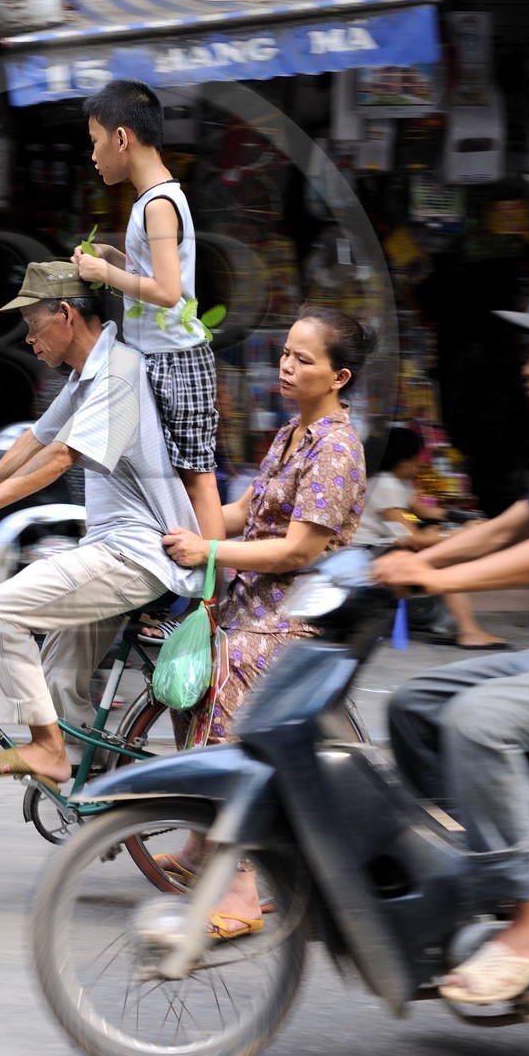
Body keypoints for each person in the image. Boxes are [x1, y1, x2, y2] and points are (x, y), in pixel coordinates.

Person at [377, 283, 529, 1006]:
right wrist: (413, 554)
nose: (528, 365)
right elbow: (508, 527)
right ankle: (494, 876)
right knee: (416, 706)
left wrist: (435, 577)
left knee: (478, 722)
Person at [0, 260, 205, 787]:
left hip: (137, 554)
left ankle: (47, 749)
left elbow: (62, 457)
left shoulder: (119, 372)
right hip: (112, 549)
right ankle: (97, 780)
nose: (29, 339)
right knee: (57, 676)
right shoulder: (89, 374)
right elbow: (36, 438)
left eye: (33, 324)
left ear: (65, 314)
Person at [161, 304, 372, 936]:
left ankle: (243, 888)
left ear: (338, 377)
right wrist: (175, 526)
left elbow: (298, 551)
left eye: (303, 360)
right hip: (252, 602)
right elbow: (245, 515)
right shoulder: (289, 435)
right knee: (182, 677)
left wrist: (209, 551)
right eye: (285, 353)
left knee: (224, 684)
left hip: (296, 614)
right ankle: (203, 845)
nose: (286, 366)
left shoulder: (337, 449)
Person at [71, 79, 225, 546]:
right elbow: (154, 276)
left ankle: (214, 585)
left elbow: (167, 291)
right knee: (168, 478)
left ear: (122, 138)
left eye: (95, 142)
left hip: (177, 359)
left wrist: (105, 270)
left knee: (196, 480)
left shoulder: (158, 204)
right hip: (160, 357)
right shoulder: (152, 200)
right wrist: (115, 260)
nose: (93, 156)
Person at [354, 424, 505, 650]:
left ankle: (450, 621)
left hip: (382, 545)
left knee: (438, 546)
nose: (420, 464)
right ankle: (469, 632)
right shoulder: (385, 484)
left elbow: (424, 511)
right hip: (366, 553)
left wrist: (461, 517)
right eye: (416, 459)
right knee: (445, 559)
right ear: (402, 462)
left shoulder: (399, 481)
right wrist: (462, 532)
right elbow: (415, 537)